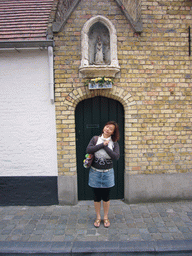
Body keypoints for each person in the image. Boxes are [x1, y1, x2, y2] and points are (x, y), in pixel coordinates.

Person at [86, 121, 120, 228]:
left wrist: (105, 146)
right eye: (107, 126)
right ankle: (98, 217)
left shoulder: (114, 143)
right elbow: (88, 149)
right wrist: (102, 144)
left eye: (110, 129)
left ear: (113, 132)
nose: (107, 129)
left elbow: (116, 156)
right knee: (96, 196)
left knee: (106, 196)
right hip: (95, 172)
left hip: (108, 173)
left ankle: (105, 217)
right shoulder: (95, 139)